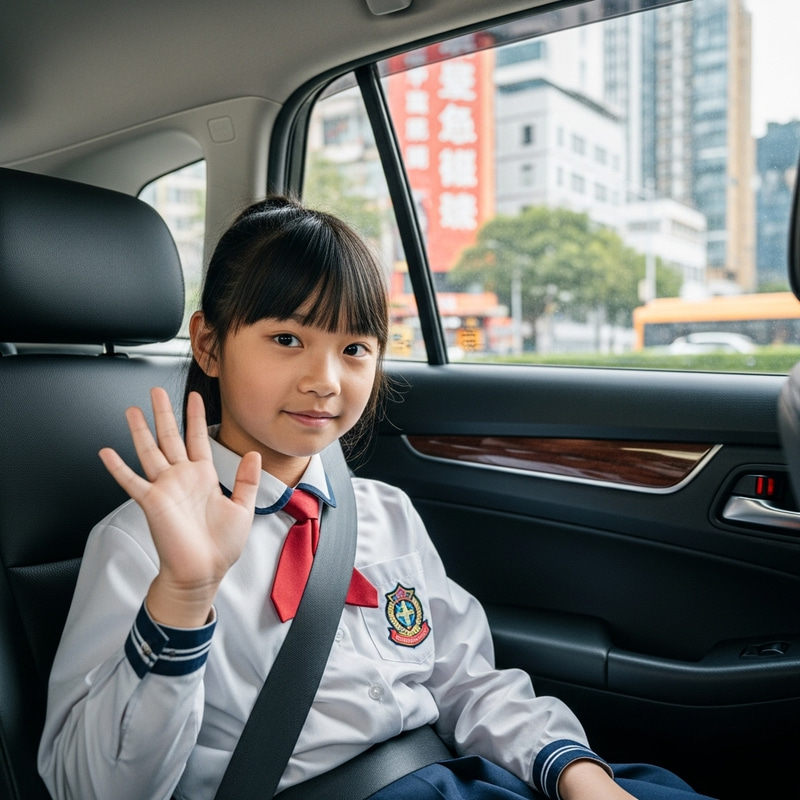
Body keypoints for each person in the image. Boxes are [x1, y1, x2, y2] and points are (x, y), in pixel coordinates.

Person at [38, 197, 714, 800]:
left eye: (356, 348)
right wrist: (185, 596)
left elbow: (465, 680)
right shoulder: (141, 544)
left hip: (460, 777)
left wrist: (575, 774)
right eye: (287, 339)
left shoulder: (384, 513)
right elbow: (90, 787)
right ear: (209, 345)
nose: (326, 380)